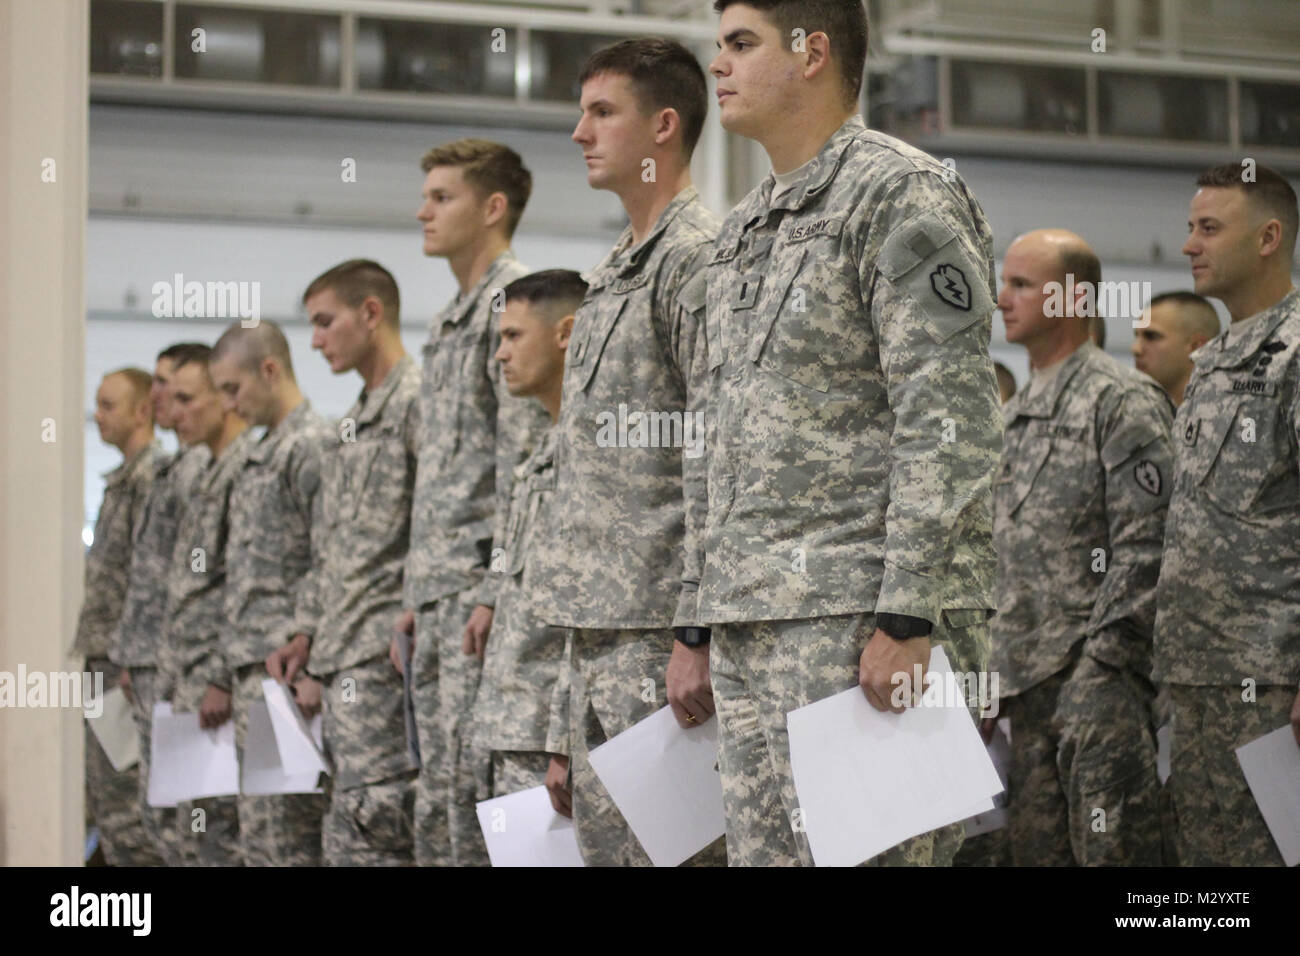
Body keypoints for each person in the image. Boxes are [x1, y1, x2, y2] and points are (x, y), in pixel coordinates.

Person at [692, 0, 1002, 867]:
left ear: (812, 53)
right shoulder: (741, 231)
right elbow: (712, 437)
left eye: (741, 44)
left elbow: (949, 412)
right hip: (753, 617)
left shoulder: (900, 190)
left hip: (859, 615)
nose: (719, 64)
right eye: (718, 46)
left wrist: (909, 610)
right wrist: (699, 616)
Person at [529, 37, 724, 866]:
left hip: (658, 642)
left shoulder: (697, 259)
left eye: (603, 111)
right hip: (599, 636)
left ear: (664, 127)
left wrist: (697, 633)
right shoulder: (613, 272)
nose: (580, 131)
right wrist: (561, 713)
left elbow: (719, 453)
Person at [991, 228, 1173, 866]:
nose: (1000, 298)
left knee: (1114, 861)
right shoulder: (1012, 417)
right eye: (1003, 281)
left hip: (1094, 687)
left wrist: (1103, 671)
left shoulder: (1120, 401)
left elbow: (1148, 550)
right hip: (1023, 693)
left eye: (1020, 284)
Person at [397, 139, 549, 867]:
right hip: (438, 593)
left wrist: (495, 587)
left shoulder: (514, 306)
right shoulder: (446, 321)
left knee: (477, 792)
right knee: (438, 794)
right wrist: (414, 590)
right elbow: (438, 473)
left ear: (493, 208)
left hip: (478, 596)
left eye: (441, 197)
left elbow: (521, 459)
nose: (422, 211)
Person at [1154, 162, 1300, 866]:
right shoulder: (1210, 363)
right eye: (1190, 227)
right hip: (1197, 671)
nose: (1189, 244)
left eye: (1209, 228)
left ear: (1269, 237)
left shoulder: (1295, 353)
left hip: (1270, 679)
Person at [266, 259, 420, 867]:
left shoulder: (416, 404)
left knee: (378, 824)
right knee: (346, 827)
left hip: (383, 661)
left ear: (371, 314)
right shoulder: (350, 426)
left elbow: (434, 529)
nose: (316, 339)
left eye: (326, 322)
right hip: (338, 654)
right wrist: (305, 629)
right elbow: (328, 544)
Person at [210, 320, 332, 866]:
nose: (229, 406)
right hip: (252, 674)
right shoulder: (260, 457)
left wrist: (316, 664)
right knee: (261, 844)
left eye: (233, 389)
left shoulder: (312, 447)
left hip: (287, 675)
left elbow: (328, 558)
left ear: (269, 369)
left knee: (289, 846)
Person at [462, 270, 583, 806]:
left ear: (566, 333)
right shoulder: (538, 458)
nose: (500, 355)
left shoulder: (592, 458)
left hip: (549, 736)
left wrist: (567, 737)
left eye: (513, 337)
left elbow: (583, 611)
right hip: (514, 726)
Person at [111, 343, 211, 866]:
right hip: (155, 658)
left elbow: (204, 579)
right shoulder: (174, 469)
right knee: (159, 812)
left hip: (182, 666)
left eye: (171, 386)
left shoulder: (199, 471)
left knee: (188, 819)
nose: (159, 396)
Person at [163, 344, 255, 866]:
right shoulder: (204, 471)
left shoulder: (245, 470)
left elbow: (243, 585)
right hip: (190, 674)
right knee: (192, 833)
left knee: (220, 831)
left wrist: (220, 675)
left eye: (187, 398)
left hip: (216, 684)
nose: (174, 414)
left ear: (223, 400)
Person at [76, 367, 164, 866]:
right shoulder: (120, 483)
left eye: (109, 405)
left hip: (126, 670)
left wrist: (137, 658)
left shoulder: (151, 479)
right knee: (109, 803)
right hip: (104, 664)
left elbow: (153, 580)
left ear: (142, 410)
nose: (98, 415)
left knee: (131, 812)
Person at [1131, 291, 1221, 406]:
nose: (1136, 349)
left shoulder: (1227, 414)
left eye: (1151, 336)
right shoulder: (1130, 411)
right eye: (1137, 336)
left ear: (1197, 347)